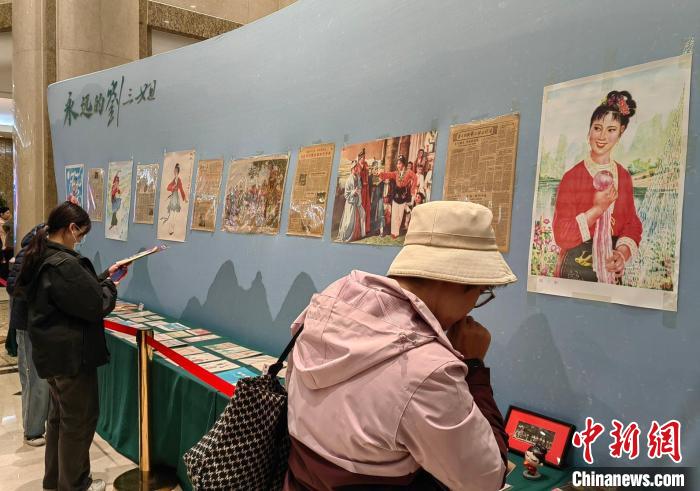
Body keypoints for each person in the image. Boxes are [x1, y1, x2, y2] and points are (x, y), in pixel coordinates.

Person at [286, 201, 516, 490]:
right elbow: (486, 478)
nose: (472, 307)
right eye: (480, 293)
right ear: (456, 282)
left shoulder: (330, 304)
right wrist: (474, 367)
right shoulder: (429, 370)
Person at [16, 201, 128, 491]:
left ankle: (56, 481)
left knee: (59, 419)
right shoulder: (65, 264)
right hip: (72, 357)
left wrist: (104, 277)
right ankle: (74, 485)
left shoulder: (41, 254)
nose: (80, 240)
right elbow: (94, 305)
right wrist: (111, 286)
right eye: (81, 234)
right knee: (78, 422)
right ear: (71, 228)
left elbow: (72, 294)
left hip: (52, 355)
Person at [553, 90, 642, 283]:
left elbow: (631, 223)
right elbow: (561, 234)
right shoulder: (572, 177)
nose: (602, 136)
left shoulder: (623, 176)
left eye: (611, 130)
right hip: (575, 268)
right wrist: (598, 209)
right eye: (597, 128)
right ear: (589, 130)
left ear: (621, 132)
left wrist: (622, 253)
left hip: (610, 268)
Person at [7, 224, 50, 447]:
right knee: (34, 378)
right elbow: (13, 287)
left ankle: (39, 425)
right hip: (28, 323)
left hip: (42, 324)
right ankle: (33, 431)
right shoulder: (29, 254)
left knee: (40, 378)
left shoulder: (45, 253)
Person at [380, 155, 417, 239]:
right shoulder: (396, 173)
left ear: (403, 164)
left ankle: (396, 231)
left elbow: (415, 178)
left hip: (403, 195)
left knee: (400, 215)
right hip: (396, 195)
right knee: (394, 215)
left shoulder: (409, 172)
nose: (398, 165)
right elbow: (389, 174)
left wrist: (412, 190)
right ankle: (394, 233)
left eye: (399, 163)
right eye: (397, 164)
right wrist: (381, 174)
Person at [337, 161, 366, 242]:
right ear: (351, 169)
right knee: (349, 221)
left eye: (357, 167)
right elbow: (346, 195)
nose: (356, 169)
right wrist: (353, 192)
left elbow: (360, 187)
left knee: (362, 214)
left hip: (357, 201)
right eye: (354, 168)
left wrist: (358, 190)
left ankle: (358, 234)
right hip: (351, 203)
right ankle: (347, 235)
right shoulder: (349, 180)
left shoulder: (358, 177)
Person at [161, 162, 188, 235]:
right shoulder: (174, 180)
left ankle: (171, 229)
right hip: (173, 197)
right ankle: (170, 229)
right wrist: (172, 187)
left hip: (175, 197)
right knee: (171, 214)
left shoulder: (178, 180)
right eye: (174, 171)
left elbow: (181, 189)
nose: (174, 172)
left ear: (178, 172)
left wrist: (184, 198)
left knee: (174, 214)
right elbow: (168, 187)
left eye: (176, 171)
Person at [357, 149, 372, 234]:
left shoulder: (366, 164)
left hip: (366, 189)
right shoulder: (358, 166)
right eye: (362, 157)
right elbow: (358, 177)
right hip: (361, 190)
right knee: (361, 206)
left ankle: (366, 228)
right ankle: (359, 228)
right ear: (359, 158)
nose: (363, 159)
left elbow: (367, 174)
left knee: (367, 206)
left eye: (364, 157)